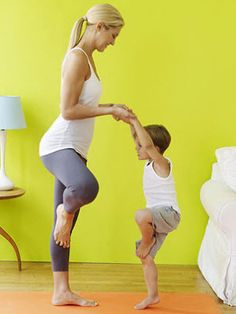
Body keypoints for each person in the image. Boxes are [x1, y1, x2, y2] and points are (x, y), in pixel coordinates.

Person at [39, 4, 134, 307]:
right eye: (113, 35)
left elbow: (84, 103)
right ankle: (63, 212)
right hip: (59, 145)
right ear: (100, 27)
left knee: (65, 229)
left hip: (75, 149)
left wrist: (114, 107)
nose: (113, 42)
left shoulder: (88, 58)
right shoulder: (77, 58)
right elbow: (67, 111)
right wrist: (110, 110)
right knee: (85, 189)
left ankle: (61, 291)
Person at [129, 117, 181, 310]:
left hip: (169, 214)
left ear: (155, 149)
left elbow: (147, 145)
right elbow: (140, 140)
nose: (137, 148)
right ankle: (153, 295)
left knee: (140, 215)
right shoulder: (149, 164)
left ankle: (146, 240)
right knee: (146, 257)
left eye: (140, 146)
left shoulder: (162, 164)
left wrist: (135, 120)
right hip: (157, 219)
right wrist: (129, 123)